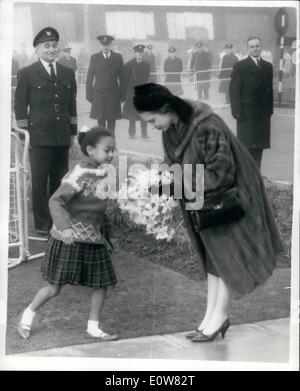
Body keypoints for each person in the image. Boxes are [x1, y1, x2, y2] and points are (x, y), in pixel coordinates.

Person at [133, 83, 283, 342]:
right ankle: (211, 318)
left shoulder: (207, 126)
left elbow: (222, 173)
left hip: (231, 197)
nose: (152, 126)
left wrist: (176, 185)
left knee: (224, 257)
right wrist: (165, 183)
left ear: (166, 109)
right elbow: (177, 167)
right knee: (213, 257)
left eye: (152, 119)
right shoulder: (173, 127)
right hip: (205, 197)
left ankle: (218, 317)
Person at [17, 126, 118, 341]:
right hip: (68, 240)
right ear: (90, 150)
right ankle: (26, 316)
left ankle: (93, 327)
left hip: (94, 240)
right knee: (54, 288)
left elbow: (100, 210)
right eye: (107, 150)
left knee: (101, 285)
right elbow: (56, 201)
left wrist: (109, 236)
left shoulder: (105, 173)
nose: (111, 155)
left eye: (113, 151)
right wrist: (65, 228)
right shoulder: (78, 175)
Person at [14, 27, 77, 236]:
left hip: (61, 136)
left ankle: (58, 221)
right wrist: (25, 134)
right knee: (40, 181)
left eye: (54, 45)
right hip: (38, 137)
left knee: (60, 180)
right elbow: (20, 106)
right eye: (46, 46)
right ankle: (42, 223)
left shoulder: (68, 73)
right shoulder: (27, 73)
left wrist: (73, 132)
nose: (51, 49)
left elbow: (71, 105)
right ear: (37, 49)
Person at [229, 36, 273, 171]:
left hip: (262, 114)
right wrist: (236, 112)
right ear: (248, 49)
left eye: (257, 46)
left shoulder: (267, 66)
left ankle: (257, 175)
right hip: (246, 114)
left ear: (261, 47)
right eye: (252, 47)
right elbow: (234, 91)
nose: (255, 49)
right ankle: (245, 178)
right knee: (246, 148)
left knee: (259, 147)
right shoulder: (240, 66)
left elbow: (269, 90)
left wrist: (269, 110)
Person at [86, 35, 125, 139]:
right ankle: (102, 144)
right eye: (103, 44)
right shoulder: (94, 57)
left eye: (107, 44)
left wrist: (123, 94)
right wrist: (89, 94)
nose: (105, 47)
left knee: (112, 123)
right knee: (101, 122)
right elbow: (90, 77)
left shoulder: (118, 57)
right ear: (100, 45)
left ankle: (111, 143)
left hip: (113, 95)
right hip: (99, 95)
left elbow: (122, 77)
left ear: (111, 45)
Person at [123, 44, 150, 139]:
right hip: (132, 93)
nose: (139, 54)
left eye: (141, 52)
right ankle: (131, 133)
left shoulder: (146, 65)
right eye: (138, 53)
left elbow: (146, 78)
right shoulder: (128, 65)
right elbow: (125, 80)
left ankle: (144, 133)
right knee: (132, 114)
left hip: (143, 92)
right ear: (134, 53)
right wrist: (127, 93)